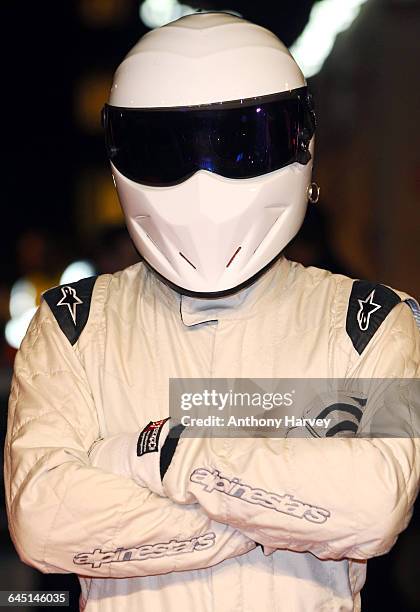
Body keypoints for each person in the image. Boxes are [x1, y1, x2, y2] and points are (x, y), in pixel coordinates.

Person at [4, 12, 420, 612]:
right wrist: (277, 519)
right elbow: (44, 522)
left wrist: (158, 454)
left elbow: (376, 507)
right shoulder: (73, 325)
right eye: (168, 148)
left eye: (238, 144)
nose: (203, 179)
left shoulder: (371, 322)